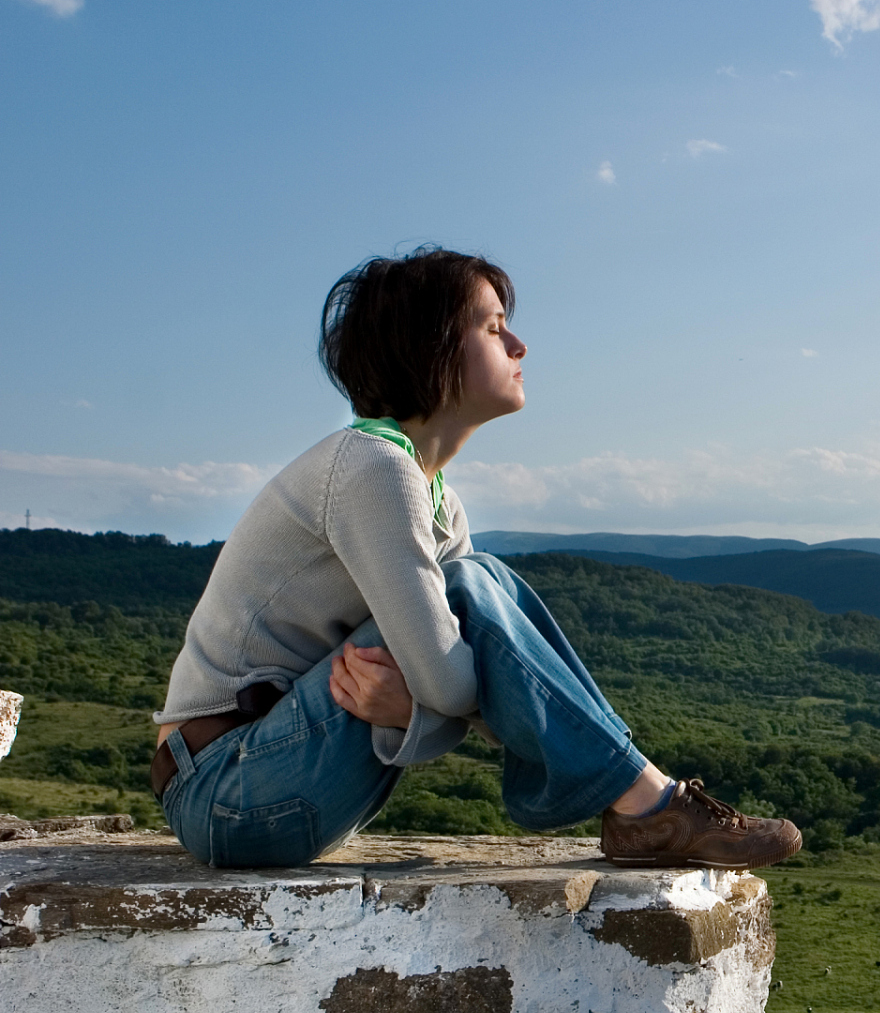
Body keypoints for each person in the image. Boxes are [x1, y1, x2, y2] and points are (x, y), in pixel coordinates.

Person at [151, 246, 802, 870]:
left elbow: (486, 689)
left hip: (290, 784)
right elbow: (458, 687)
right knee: (472, 583)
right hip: (224, 791)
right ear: (432, 349)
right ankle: (649, 806)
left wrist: (422, 711)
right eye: (494, 329)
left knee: (474, 586)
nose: (519, 347)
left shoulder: (437, 500)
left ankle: (646, 803)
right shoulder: (371, 467)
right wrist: (429, 711)